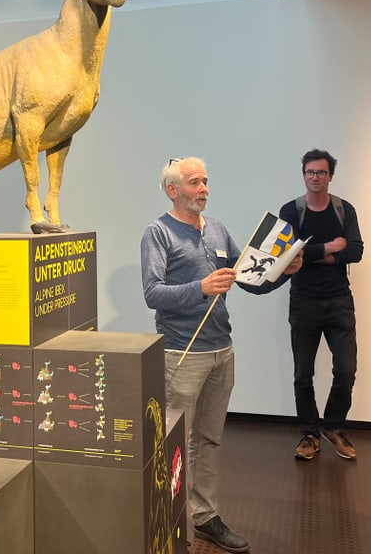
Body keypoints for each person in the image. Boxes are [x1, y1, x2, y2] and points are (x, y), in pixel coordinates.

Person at [141, 157, 301, 553]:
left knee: (209, 440)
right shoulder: (157, 232)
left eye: (206, 181)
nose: (203, 189)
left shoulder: (217, 229)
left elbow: (249, 281)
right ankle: (169, 520)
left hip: (221, 350)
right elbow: (152, 294)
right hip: (182, 352)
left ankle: (205, 516)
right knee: (173, 441)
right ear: (172, 189)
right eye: (194, 182)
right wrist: (201, 287)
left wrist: (282, 272)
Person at [278, 149, 363, 461]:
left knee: (346, 369)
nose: (315, 177)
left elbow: (355, 251)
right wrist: (328, 248)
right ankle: (310, 434)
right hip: (304, 301)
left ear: (330, 176)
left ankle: (333, 426)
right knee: (303, 374)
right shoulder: (291, 211)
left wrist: (309, 253)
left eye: (321, 172)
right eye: (310, 172)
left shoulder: (344, 210)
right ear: (304, 175)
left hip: (339, 300)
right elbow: (286, 255)